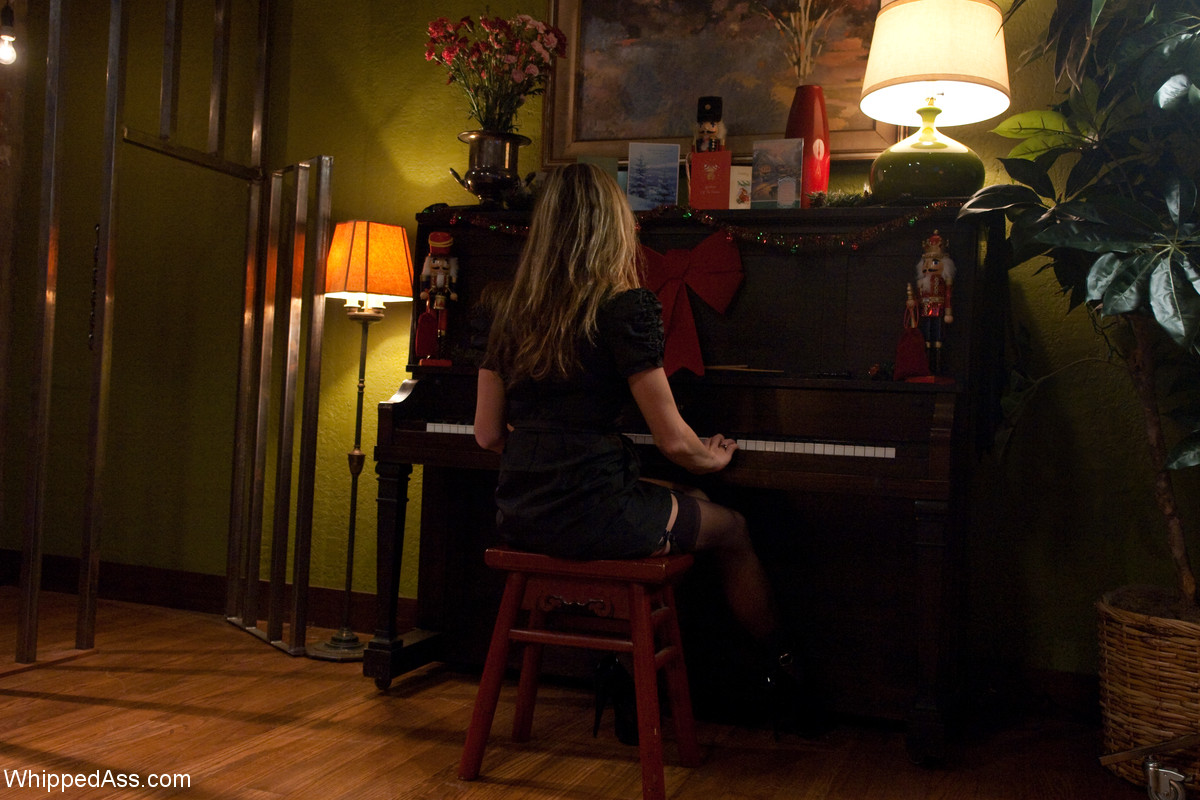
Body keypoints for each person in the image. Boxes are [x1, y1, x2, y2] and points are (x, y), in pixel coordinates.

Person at [474, 162, 819, 734]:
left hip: (523, 511)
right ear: (610, 228)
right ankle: (786, 670)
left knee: (684, 501)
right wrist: (713, 458)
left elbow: (488, 434)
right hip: (593, 511)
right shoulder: (621, 307)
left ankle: (625, 665)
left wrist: (549, 458)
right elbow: (673, 439)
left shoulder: (506, 308)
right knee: (732, 526)